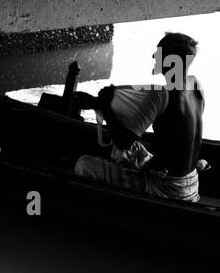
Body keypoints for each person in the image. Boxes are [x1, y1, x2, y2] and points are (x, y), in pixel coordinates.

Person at [73, 32, 204, 203]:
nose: (154, 56)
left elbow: (123, 142)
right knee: (134, 148)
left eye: (160, 53)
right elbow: (175, 140)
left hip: (167, 189)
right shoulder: (195, 85)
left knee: (84, 165)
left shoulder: (160, 95)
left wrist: (104, 107)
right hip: (192, 184)